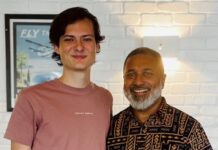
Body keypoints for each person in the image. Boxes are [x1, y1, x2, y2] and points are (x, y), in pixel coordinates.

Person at [4, 7, 113, 150]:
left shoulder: (105, 97)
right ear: (56, 47)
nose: (79, 47)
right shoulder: (30, 98)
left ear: (97, 46)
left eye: (86, 39)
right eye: (69, 39)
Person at [107, 47, 212, 150]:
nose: (138, 82)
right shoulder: (110, 128)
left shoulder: (188, 129)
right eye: (131, 75)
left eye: (147, 74)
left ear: (163, 80)